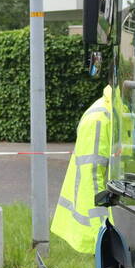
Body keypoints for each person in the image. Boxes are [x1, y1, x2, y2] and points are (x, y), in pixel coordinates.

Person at [51, 86, 113, 254]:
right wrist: (104, 232)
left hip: (118, 215)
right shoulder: (99, 119)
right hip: (98, 223)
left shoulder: (120, 113)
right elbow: (91, 178)